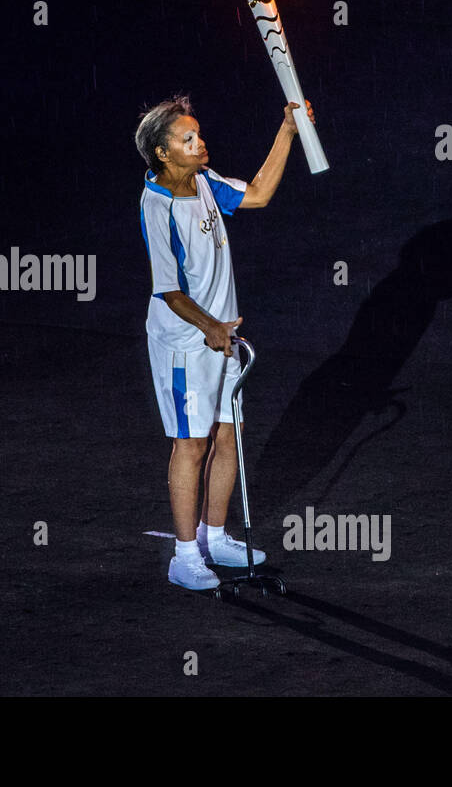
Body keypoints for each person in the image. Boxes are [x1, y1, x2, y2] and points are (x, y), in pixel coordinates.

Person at [135, 96, 313, 590]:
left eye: (198, 133)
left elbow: (256, 194)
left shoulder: (207, 183)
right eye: (186, 139)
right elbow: (167, 289)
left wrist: (287, 132)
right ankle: (184, 555)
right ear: (162, 153)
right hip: (186, 344)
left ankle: (215, 538)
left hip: (223, 337)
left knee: (227, 436)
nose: (199, 142)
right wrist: (209, 327)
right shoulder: (158, 206)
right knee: (190, 445)